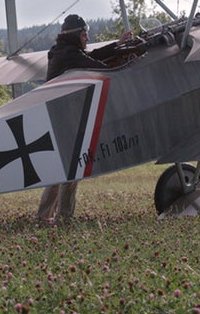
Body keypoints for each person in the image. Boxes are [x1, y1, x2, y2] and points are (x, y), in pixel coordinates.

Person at [35, 14, 132, 223]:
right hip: (66, 121)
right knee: (72, 168)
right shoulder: (69, 54)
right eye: (84, 34)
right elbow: (99, 66)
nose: (87, 38)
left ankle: (43, 215)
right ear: (75, 36)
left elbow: (92, 54)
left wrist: (119, 44)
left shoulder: (64, 52)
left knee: (59, 169)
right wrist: (125, 66)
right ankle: (65, 217)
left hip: (58, 118)